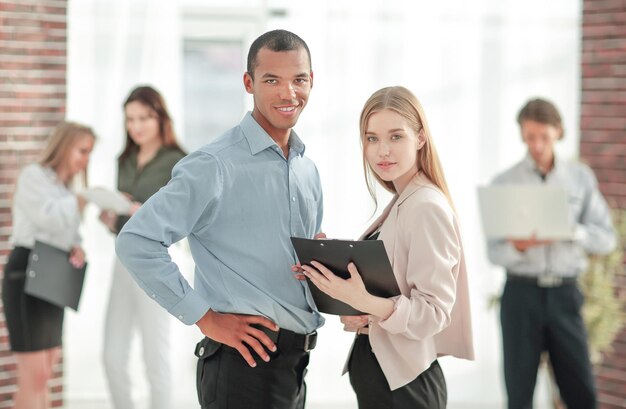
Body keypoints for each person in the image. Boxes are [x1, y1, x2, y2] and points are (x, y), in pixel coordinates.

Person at [115, 29, 323, 409]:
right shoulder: (214, 165)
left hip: (295, 367)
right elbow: (136, 241)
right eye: (271, 80)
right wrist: (204, 318)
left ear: (313, 81)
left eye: (299, 79)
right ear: (249, 82)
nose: (288, 93)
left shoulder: (306, 169)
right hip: (243, 366)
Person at [300, 86, 474, 409]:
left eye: (396, 137)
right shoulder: (403, 201)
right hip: (387, 385)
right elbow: (394, 293)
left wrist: (365, 302)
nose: (382, 151)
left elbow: (434, 313)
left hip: (406, 391)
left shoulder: (425, 206)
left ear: (420, 138)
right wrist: (360, 310)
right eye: (372, 138)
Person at [487, 98, 616, 409]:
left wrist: (573, 232)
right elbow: (493, 253)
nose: (537, 145)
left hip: (565, 296)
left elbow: (607, 239)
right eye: (530, 136)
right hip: (520, 296)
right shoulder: (504, 183)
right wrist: (518, 247)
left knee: (582, 394)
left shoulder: (580, 179)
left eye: (544, 136)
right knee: (518, 395)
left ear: (558, 131)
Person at [98, 85, 186, 409]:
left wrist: (142, 213)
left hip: (158, 260)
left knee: (155, 356)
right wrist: (111, 218)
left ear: (160, 118)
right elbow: (122, 218)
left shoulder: (178, 161)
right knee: (112, 355)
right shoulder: (125, 159)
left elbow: (183, 219)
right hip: (123, 260)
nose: (135, 126)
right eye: (130, 119)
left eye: (144, 118)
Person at [1, 121, 95, 409]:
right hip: (27, 271)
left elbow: (66, 233)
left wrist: (76, 246)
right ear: (64, 147)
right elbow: (47, 219)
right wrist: (80, 200)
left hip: (52, 275)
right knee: (35, 374)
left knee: (48, 368)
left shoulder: (65, 188)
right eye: (81, 150)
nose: (85, 159)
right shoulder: (34, 176)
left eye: (89, 152)